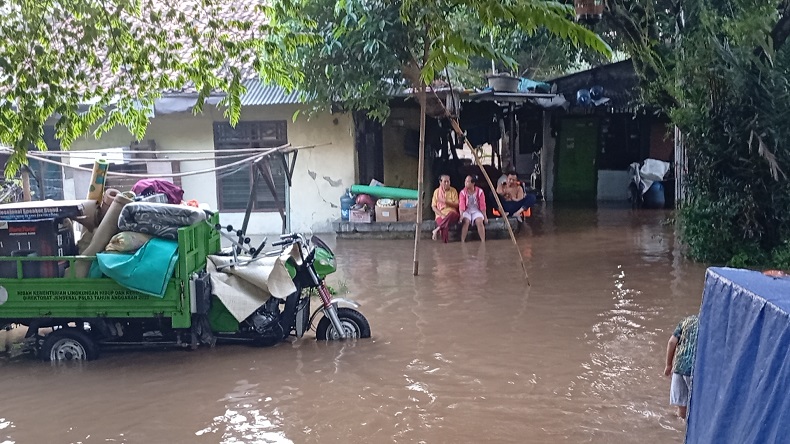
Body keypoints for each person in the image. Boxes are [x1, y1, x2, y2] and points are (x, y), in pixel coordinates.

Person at [664, 314, 699, 420]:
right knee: (697, 405)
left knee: (682, 408)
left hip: (679, 368)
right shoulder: (710, 324)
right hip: (695, 370)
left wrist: (668, 365)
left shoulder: (685, 321)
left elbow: (671, 342)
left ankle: (679, 430)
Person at [430, 175, 460, 243]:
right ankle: (445, 246)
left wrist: (445, 202)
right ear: (440, 182)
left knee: (452, 213)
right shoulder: (436, 192)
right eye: (445, 182)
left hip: (452, 213)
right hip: (440, 214)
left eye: (448, 181)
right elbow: (433, 207)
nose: (447, 183)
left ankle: (437, 229)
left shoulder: (453, 190)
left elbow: (457, 205)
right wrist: (441, 215)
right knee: (444, 227)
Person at [459, 175, 487, 243]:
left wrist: (485, 217)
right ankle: (462, 241)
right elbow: (461, 205)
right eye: (465, 181)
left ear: (473, 183)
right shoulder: (463, 192)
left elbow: (482, 205)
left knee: (479, 222)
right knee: (466, 222)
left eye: (468, 181)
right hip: (466, 210)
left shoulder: (480, 191)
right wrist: (461, 215)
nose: (465, 183)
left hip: (476, 210)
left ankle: (483, 241)